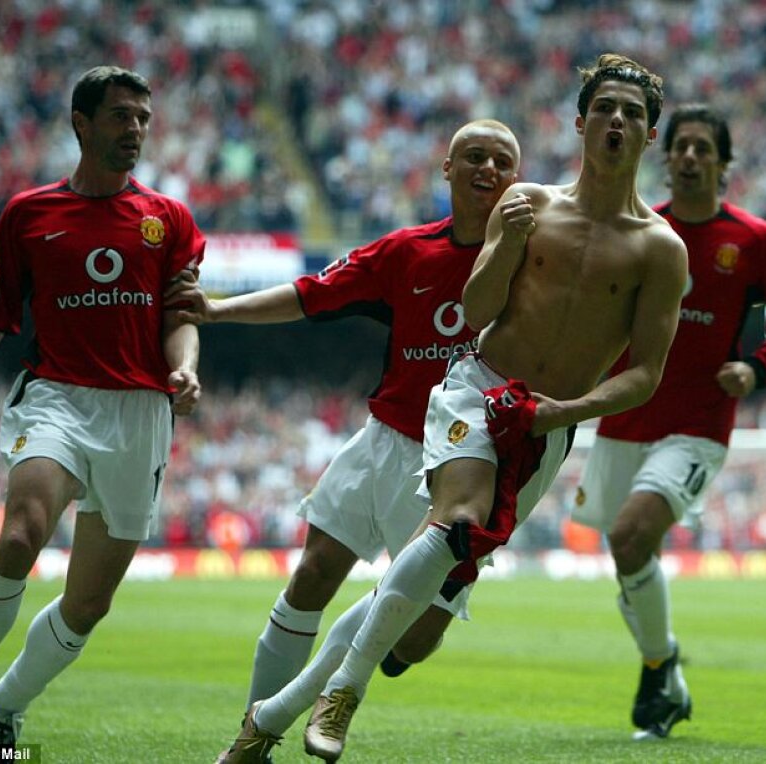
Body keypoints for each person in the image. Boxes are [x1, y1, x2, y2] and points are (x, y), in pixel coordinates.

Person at [296, 52, 689, 762]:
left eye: (634, 113)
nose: (618, 122)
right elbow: (475, 309)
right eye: (606, 109)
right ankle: (339, 694)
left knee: (420, 632)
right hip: (477, 386)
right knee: (455, 523)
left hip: (547, 426)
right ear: (580, 123)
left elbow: (645, 376)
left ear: (648, 135)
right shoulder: (530, 206)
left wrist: (560, 414)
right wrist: (506, 241)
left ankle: (290, 702)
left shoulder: (661, 251)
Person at [177, 120, 523, 764]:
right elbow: (310, 295)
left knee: (414, 640)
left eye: (502, 161)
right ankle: (255, 736)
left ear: (518, 177)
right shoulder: (406, 252)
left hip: (460, 464)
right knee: (311, 574)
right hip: (387, 441)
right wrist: (219, 310)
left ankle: (363, 641)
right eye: (473, 157)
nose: (488, 169)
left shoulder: (534, 265)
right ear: (446, 170)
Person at [0, 65, 204, 754]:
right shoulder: (29, 214)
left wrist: (185, 365)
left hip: (141, 411)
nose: (136, 130)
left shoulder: (167, 218)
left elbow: (182, 312)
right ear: (82, 124)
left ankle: (6, 708)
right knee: (20, 537)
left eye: (143, 118)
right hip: (55, 397)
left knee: (88, 604)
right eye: (121, 116)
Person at [573, 103, 766, 740]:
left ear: (722, 163)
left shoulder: (755, 241)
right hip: (624, 418)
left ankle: (657, 670)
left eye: (703, 148)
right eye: (680, 146)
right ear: (667, 155)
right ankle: (670, 677)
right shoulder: (643, 228)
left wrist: (758, 369)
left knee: (630, 538)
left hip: (698, 424)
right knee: (629, 559)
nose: (688, 157)